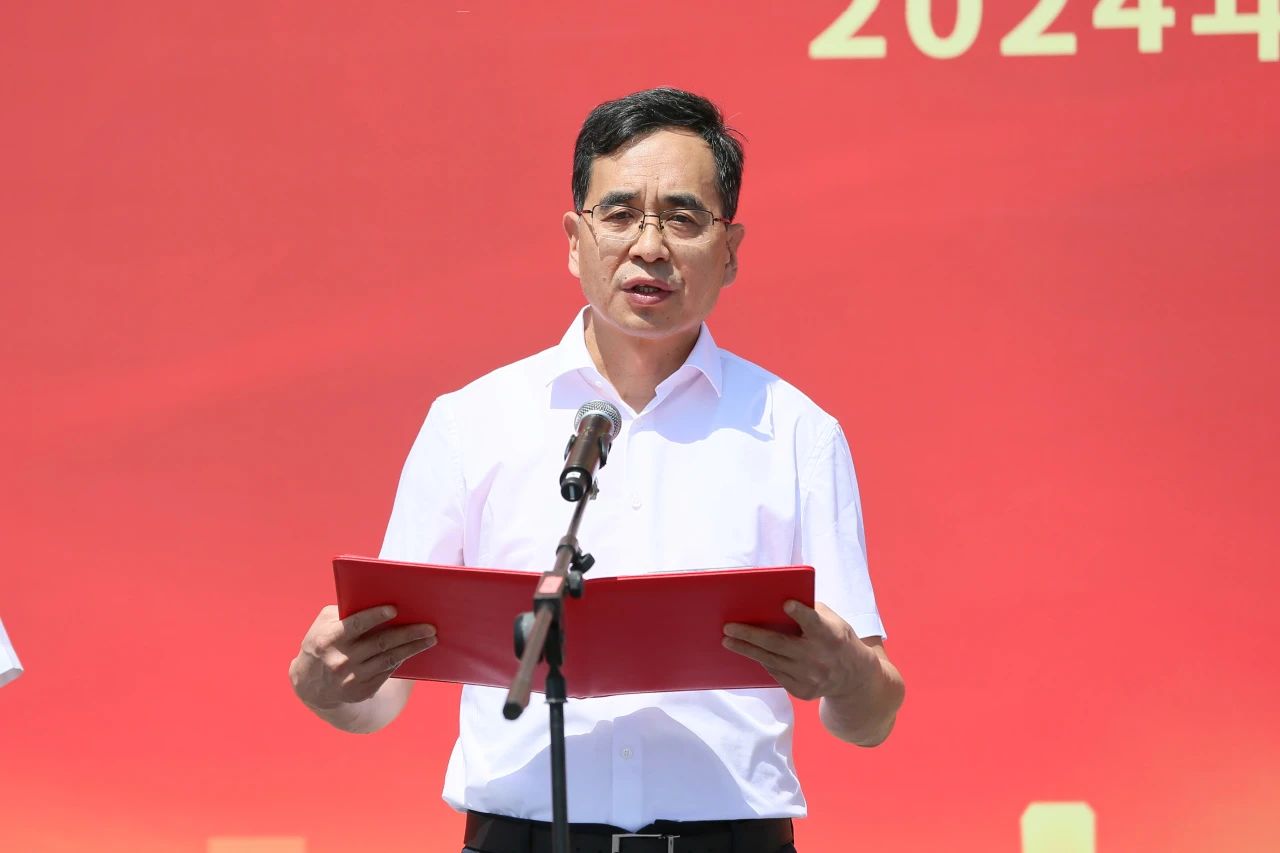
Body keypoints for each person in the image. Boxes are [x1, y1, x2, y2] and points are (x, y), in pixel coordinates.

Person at [288, 87, 905, 853]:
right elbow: (384, 688)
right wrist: (329, 688)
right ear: (575, 240)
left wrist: (846, 674)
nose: (650, 246)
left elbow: (871, 716)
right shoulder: (471, 422)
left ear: (730, 249)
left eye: (683, 218)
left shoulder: (796, 432)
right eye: (619, 215)